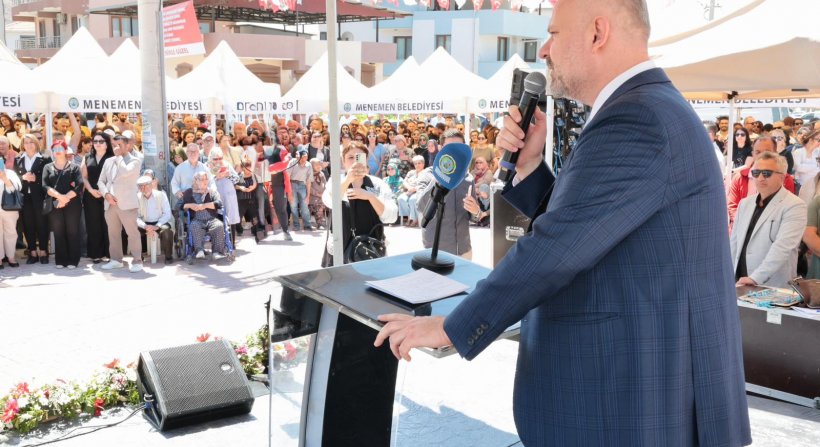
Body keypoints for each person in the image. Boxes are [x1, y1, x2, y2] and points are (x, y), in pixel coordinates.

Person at [375, 1, 751, 446]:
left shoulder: (637, 117)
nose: (544, 51)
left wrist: (449, 326)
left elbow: (555, 249)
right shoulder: (642, 108)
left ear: (597, 33)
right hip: (634, 394)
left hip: (630, 404)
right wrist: (530, 166)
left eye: (553, 34)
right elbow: (586, 223)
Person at [731, 152, 806, 288]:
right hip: (739, 282)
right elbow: (734, 243)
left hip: (773, 287)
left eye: (766, 173)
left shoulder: (795, 205)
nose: (760, 178)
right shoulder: (745, 203)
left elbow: (783, 247)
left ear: (782, 177)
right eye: (756, 173)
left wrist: (755, 278)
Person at [321, 141, 397, 267]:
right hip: (340, 245)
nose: (354, 162)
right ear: (343, 161)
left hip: (370, 247)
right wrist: (348, 180)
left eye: (358, 157)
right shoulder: (335, 181)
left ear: (366, 160)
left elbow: (391, 216)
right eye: (350, 157)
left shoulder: (378, 184)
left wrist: (370, 197)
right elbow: (329, 201)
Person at [416, 130, 474, 259]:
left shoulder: (468, 178)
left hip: (463, 250)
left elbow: (473, 216)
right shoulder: (426, 175)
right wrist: (439, 178)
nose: (454, 152)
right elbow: (420, 206)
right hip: (435, 251)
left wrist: (476, 211)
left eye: (458, 148)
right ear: (441, 149)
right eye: (450, 148)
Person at [97, 133, 143, 273]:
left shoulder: (135, 161)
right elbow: (101, 181)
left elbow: (125, 172)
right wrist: (106, 194)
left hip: (127, 204)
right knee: (113, 233)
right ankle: (116, 260)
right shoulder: (108, 161)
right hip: (110, 203)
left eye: (119, 145)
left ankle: (137, 261)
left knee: (132, 233)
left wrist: (119, 157)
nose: (116, 148)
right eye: (114, 145)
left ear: (127, 145)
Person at [42, 142, 84, 269]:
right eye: (55, 149)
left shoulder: (74, 167)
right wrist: (60, 198)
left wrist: (65, 199)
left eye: (61, 148)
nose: (58, 151)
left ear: (66, 151)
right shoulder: (47, 167)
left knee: (72, 231)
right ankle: (61, 259)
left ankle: (73, 260)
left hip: (73, 204)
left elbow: (79, 185)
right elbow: (45, 185)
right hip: (55, 203)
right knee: (58, 231)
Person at [15, 134, 51, 264]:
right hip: (25, 198)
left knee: (42, 224)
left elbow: (49, 177)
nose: (29, 145)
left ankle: (43, 251)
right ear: (22, 145)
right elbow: (14, 178)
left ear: (36, 143)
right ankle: (32, 252)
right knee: (28, 225)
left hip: (40, 197)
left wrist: (37, 179)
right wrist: (23, 178)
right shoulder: (18, 159)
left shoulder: (45, 158)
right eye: (26, 142)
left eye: (31, 142)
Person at [81, 132, 115, 263]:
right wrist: (90, 190)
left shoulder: (112, 157)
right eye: (95, 141)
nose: (97, 144)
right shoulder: (87, 157)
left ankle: (109, 253)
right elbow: (83, 177)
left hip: (108, 195)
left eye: (101, 141)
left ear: (107, 143)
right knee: (93, 225)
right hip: (91, 195)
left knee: (109, 225)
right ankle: (95, 254)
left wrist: (106, 192)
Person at [181, 172, 227, 260]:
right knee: (194, 226)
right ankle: (199, 251)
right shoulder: (189, 192)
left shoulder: (211, 191)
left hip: (211, 219)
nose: (205, 181)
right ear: (195, 181)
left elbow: (219, 203)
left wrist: (205, 205)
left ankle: (216, 252)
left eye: (206, 179)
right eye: (202, 179)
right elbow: (180, 206)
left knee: (219, 226)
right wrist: (190, 205)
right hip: (197, 219)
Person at [136, 175, 174, 265]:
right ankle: (138, 257)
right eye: (141, 187)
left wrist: (157, 225)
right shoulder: (137, 197)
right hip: (145, 223)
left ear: (151, 185)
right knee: (134, 231)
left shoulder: (161, 195)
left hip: (160, 222)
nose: (144, 189)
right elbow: (135, 216)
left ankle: (168, 256)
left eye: (146, 186)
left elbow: (167, 213)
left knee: (166, 231)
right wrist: (145, 226)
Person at [0, 164, 22, 268]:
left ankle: (11, 257)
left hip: (9, 208)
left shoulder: (10, 173)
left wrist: (4, 178)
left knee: (11, 232)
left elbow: (17, 188)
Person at [287, 148, 313, 231]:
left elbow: (309, 181)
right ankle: (296, 225)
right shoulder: (293, 162)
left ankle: (307, 225)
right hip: (292, 184)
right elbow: (287, 177)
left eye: (306, 157)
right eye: (302, 157)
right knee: (293, 206)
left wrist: (308, 196)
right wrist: (289, 193)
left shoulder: (308, 165)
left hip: (302, 185)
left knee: (304, 205)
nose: (304, 159)